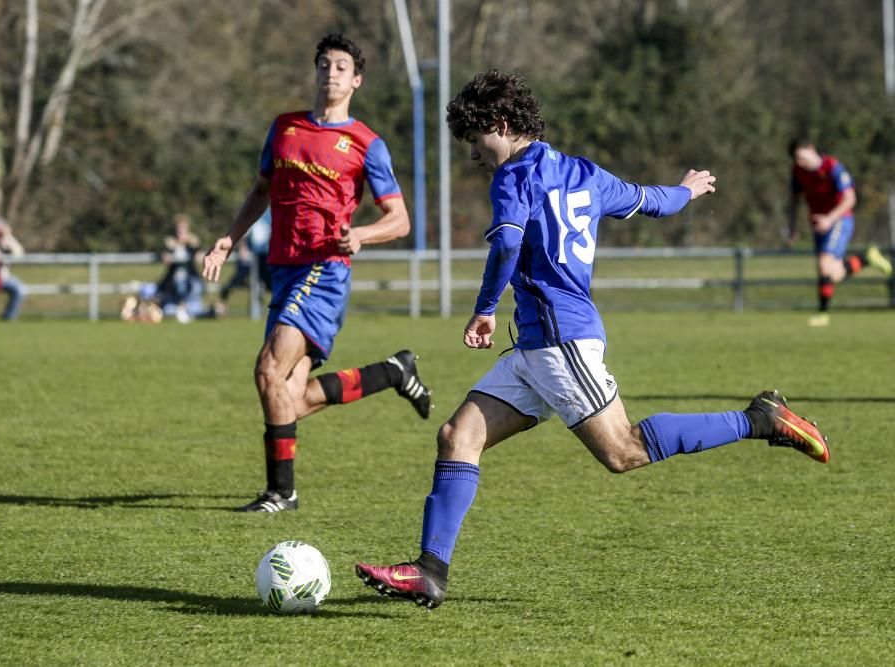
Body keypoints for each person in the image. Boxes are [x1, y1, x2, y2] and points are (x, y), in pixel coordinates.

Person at [355, 70, 831, 609]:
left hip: (560, 342)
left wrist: (484, 309)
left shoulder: (512, 178)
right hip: (536, 348)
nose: (474, 154)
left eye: (477, 140)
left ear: (504, 125)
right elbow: (652, 200)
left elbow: (507, 244)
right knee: (457, 436)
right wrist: (687, 190)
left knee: (623, 450)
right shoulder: (584, 172)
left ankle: (761, 420)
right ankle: (429, 571)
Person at [202, 33, 432, 513]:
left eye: (341, 66)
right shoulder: (284, 128)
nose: (331, 73)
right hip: (283, 271)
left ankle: (280, 493)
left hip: (324, 270)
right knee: (290, 396)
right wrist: (229, 238)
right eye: (324, 64)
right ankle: (392, 372)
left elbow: (400, 220)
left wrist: (362, 235)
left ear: (357, 80)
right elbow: (260, 191)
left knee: (267, 370)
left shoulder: (367, 144)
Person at [787, 138, 892, 327]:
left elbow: (850, 199)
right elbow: (794, 200)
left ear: (811, 149)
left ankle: (822, 314)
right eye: (797, 160)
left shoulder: (833, 167)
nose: (800, 163)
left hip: (839, 220)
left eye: (802, 158)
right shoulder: (798, 172)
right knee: (829, 271)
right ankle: (865, 259)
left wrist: (830, 219)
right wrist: (792, 227)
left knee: (824, 265)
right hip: (820, 225)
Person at [208, 208, 272, 317]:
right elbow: (243, 232)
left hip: (265, 256)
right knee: (238, 279)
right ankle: (222, 301)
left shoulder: (271, 213)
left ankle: (276, 308)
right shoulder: (252, 211)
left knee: (270, 283)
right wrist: (243, 248)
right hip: (251, 257)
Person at [157, 214, 205, 323]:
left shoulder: (192, 243)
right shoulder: (170, 243)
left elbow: (199, 257)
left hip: (191, 277)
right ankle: (181, 309)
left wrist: (192, 246)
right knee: (179, 286)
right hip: (173, 279)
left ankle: (186, 310)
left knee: (197, 287)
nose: (181, 232)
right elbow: (165, 258)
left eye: (183, 229)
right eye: (179, 229)